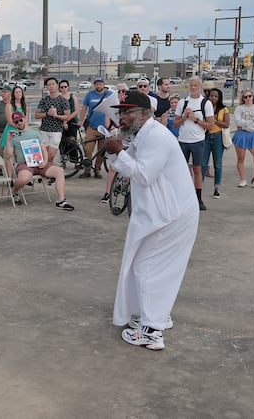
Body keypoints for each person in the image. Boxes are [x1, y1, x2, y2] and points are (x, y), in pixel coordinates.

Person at [103, 91, 199, 351]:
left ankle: (151, 331)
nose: (122, 117)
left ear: (144, 114)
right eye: (120, 112)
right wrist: (115, 153)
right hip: (164, 211)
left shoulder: (155, 135)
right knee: (154, 267)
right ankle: (155, 316)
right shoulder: (141, 135)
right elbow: (128, 164)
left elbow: (143, 175)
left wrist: (118, 153)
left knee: (147, 267)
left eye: (127, 112)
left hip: (171, 214)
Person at [5, 111, 74, 211]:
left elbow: (43, 149)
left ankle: (61, 201)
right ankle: (15, 191)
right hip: (24, 164)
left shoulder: (35, 133)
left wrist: (45, 161)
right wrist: (8, 140)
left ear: (24, 119)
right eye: (16, 122)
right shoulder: (13, 136)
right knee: (24, 178)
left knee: (59, 171)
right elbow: (8, 156)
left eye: (20, 120)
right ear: (14, 123)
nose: (19, 123)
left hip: (39, 162)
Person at [174, 77, 214, 211]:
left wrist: (195, 119)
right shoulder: (182, 102)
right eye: (191, 85)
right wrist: (185, 117)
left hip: (197, 141)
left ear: (200, 86)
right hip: (183, 141)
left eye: (196, 85)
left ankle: (198, 198)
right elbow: (175, 123)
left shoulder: (205, 103)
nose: (193, 88)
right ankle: (181, 197)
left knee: (197, 169)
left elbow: (210, 125)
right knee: (181, 170)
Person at [232, 90, 254, 189]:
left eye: (249, 96)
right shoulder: (239, 109)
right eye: (245, 97)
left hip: (253, 135)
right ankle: (243, 180)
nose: (248, 98)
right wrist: (248, 124)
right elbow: (237, 122)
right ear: (242, 99)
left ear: (253, 97)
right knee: (241, 158)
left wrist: (244, 124)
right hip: (241, 135)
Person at [78, 78, 112, 179]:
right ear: (94, 85)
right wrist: (81, 120)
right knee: (88, 149)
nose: (99, 86)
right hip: (92, 126)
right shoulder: (89, 94)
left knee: (101, 151)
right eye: (97, 84)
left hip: (105, 128)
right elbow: (84, 107)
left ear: (104, 84)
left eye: (100, 84)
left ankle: (97, 169)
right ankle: (87, 170)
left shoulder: (110, 94)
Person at [101, 83, 128, 203]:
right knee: (113, 168)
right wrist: (114, 130)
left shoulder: (130, 106)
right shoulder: (112, 106)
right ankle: (108, 192)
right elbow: (107, 123)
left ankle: (123, 188)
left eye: (124, 91)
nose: (122, 93)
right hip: (116, 137)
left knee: (129, 167)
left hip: (128, 139)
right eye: (119, 91)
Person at [35, 77, 71, 163]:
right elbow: (37, 115)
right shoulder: (44, 100)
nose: (50, 86)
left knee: (51, 155)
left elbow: (67, 116)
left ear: (57, 85)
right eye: (48, 85)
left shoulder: (63, 101)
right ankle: (46, 173)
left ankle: (49, 172)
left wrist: (56, 115)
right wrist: (47, 114)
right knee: (44, 155)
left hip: (56, 130)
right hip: (44, 130)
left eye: (52, 84)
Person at [202, 88, 230, 199]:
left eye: (216, 96)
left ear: (219, 98)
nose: (213, 98)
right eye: (211, 96)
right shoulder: (205, 107)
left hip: (218, 136)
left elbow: (226, 124)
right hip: (206, 136)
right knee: (203, 163)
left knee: (217, 164)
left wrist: (215, 121)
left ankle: (217, 187)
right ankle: (200, 186)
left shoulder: (223, 109)